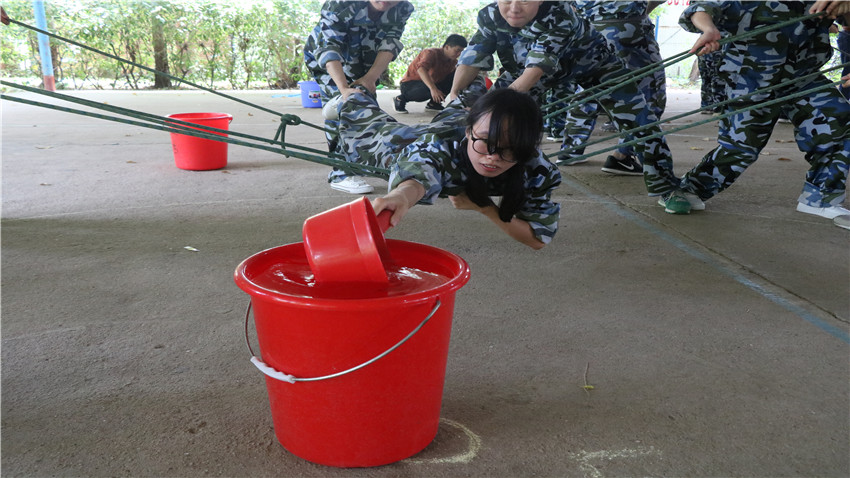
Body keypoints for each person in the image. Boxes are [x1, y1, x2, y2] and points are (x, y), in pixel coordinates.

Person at [449, 0, 695, 214]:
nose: (513, 8)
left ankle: (667, 188)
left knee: (641, 120)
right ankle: (475, 179)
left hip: (595, 66)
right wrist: (453, 93)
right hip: (525, 69)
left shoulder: (561, 13)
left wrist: (496, 106)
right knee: (487, 124)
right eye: (506, 0)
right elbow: (473, 57)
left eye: (524, 0)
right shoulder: (489, 15)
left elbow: (535, 72)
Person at [678, 1, 850, 224]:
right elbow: (699, 9)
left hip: (803, 76)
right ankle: (690, 189)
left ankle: (822, 198)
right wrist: (709, 29)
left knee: (841, 124)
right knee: (742, 148)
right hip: (751, 79)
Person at [328, 87, 562, 249]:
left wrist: (485, 208)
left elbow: (537, 239)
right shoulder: (439, 146)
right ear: (469, 132)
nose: (492, 158)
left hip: (459, 119)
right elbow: (420, 169)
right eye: (485, 142)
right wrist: (401, 196)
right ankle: (350, 97)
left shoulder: (536, 168)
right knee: (370, 130)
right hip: (416, 137)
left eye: (509, 150)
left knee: (468, 100)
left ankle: (458, 103)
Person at [303, 0, 414, 195]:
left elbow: (389, 45)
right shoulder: (339, 4)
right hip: (330, 60)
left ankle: (367, 161)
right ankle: (341, 172)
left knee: (366, 106)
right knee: (344, 105)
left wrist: (371, 78)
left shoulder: (402, 8)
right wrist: (344, 89)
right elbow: (330, 48)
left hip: (365, 59)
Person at [558, 1, 665, 177]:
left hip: (590, 29)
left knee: (590, 88)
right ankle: (623, 155)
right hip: (630, 30)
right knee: (650, 93)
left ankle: (570, 150)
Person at [393, 34, 468, 114]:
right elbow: (421, 69)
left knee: (456, 76)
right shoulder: (430, 53)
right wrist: (433, 89)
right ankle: (400, 99)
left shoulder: (453, 61)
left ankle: (434, 104)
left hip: (433, 84)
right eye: (457, 50)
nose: (459, 54)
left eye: (461, 51)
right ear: (447, 47)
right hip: (410, 85)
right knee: (429, 89)